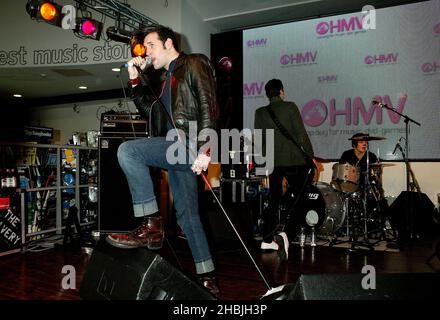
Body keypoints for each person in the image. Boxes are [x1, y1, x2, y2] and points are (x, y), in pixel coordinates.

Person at [105, 25, 219, 297]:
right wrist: (135, 80)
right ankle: (208, 277)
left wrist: (206, 149)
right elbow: (150, 110)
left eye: (150, 45)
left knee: (128, 151)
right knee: (188, 217)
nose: (146, 52)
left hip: (187, 144)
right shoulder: (164, 81)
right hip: (172, 149)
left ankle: (152, 224)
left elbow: (208, 104)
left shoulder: (193, 63)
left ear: (168, 43)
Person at [254, 79, 315, 261]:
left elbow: (260, 141)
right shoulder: (290, 107)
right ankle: (286, 234)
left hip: (272, 162)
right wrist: (310, 155)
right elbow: (300, 134)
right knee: (300, 198)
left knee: (273, 199)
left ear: (267, 94)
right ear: (281, 91)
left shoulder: (260, 112)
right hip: (293, 160)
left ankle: (267, 239)